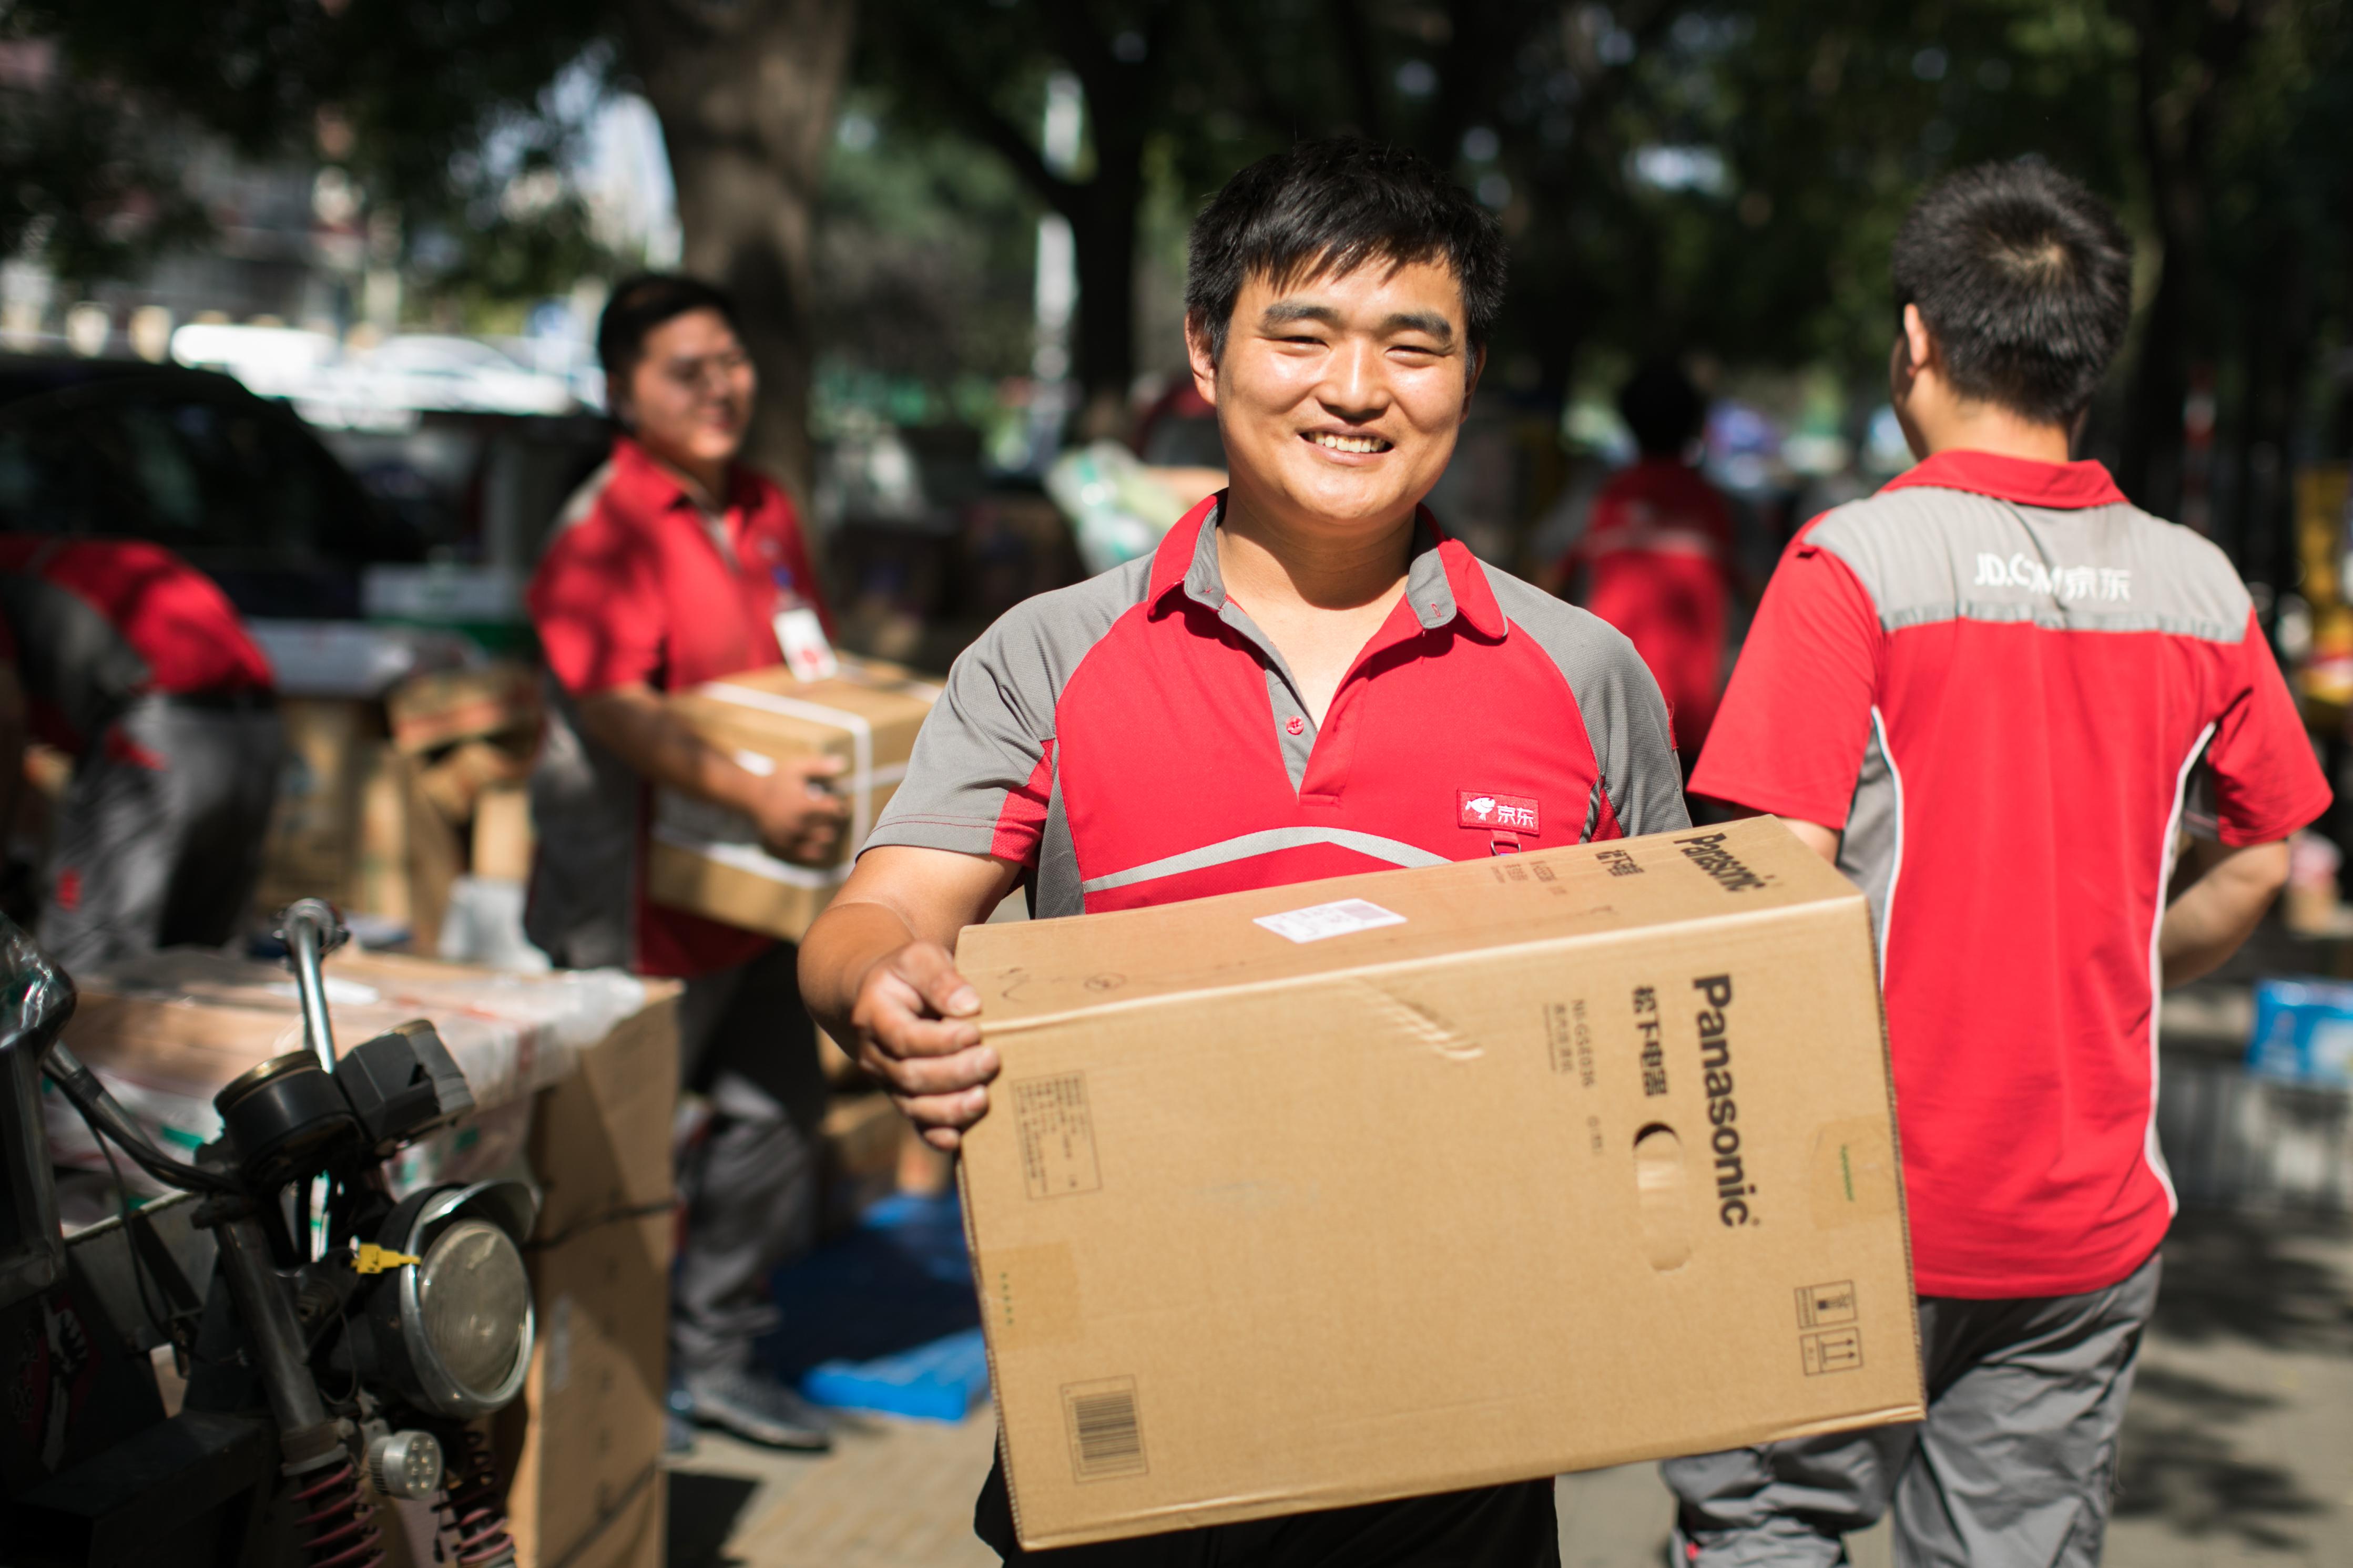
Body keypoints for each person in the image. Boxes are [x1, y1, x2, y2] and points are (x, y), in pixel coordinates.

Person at [801, 137, 1686, 1566]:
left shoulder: (1582, 673)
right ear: (1207, 355)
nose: (1355, 389)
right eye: (1304, 334)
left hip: (1457, 1453)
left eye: (1414, 344)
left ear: (1467, 374)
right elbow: (878, 908)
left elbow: (1679, 1008)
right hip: (1128, 1433)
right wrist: (880, 987)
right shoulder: (1054, 652)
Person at [1666, 162, 2329, 1566]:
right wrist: (2116, 961)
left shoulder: (1851, 563)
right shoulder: (2199, 586)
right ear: (2090, 352)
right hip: (2084, 1221)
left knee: (1770, 1528)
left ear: (1913, 338)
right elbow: (2265, 854)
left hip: (1851, 1204)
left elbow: (1776, 876)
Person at [524, 273, 849, 1451]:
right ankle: (596, 1374)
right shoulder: (600, 532)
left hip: (756, 887)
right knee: (617, 1144)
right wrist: (752, 791)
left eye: (729, 361)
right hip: (634, 898)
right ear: (621, 392)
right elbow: (617, 708)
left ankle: (709, 1354)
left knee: (779, 1111)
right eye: (683, 371)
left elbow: (805, 675)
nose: (720, 388)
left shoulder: (761, 505)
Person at [0, 536, 281, 971]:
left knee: (92, 958)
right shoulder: (82, 561)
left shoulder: (23, 574)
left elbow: (7, 718)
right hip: (256, 729)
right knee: (201, 958)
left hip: (160, 732)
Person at [1548, 360, 1741, 762]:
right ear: (1693, 426)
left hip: (1602, 713)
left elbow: (1539, 582)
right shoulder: (1722, 508)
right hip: (1692, 724)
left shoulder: (1598, 498)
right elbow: (1762, 595)